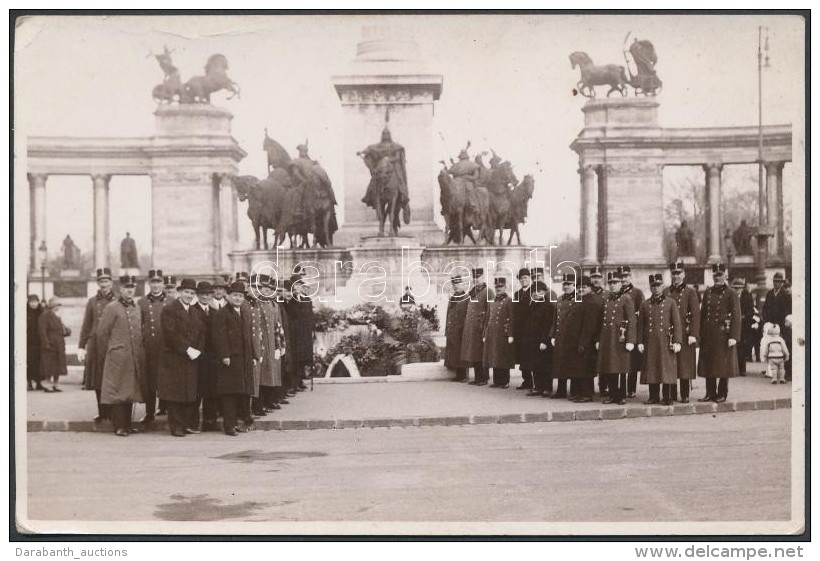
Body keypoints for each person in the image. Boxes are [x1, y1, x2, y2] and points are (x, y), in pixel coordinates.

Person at [97, 275, 145, 437]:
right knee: (118, 391)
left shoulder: (136, 307)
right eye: (126, 287)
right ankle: (119, 426)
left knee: (129, 390)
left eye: (132, 287)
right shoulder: (112, 307)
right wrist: (108, 353)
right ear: (120, 289)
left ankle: (128, 424)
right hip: (117, 357)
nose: (130, 290)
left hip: (132, 356)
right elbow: (102, 333)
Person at [157, 278, 206, 437]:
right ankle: (176, 426)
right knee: (175, 394)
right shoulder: (169, 309)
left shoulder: (195, 312)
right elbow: (171, 334)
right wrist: (187, 349)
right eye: (186, 292)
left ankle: (185, 425)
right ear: (179, 292)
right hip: (175, 357)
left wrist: (198, 349)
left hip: (191, 358)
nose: (189, 295)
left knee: (188, 392)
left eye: (192, 293)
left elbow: (201, 333)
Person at [212, 280, 259, 436]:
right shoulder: (222, 313)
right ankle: (229, 426)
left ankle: (242, 421)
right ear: (228, 296)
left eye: (240, 296)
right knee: (229, 393)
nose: (238, 298)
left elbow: (248, 337)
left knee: (242, 392)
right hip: (230, 359)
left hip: (243, 359)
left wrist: (252, 355)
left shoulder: (244, 312)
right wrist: (224, 355)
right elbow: (220, 337)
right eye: (235, 295)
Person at [697, 263, 741, 403]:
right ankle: (710, 392)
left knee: (723, 366)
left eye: (720, 275)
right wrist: (700, 333)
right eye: (715, 275)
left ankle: (722, 393)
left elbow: (736, 315)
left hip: (723, 334)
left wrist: (734, 336)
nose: (717, 278)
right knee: (709, 364)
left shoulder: (731, 293)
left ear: (725, 275)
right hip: (709, 333)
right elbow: (703, 314)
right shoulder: (708, 292)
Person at [638, 274, 682, 406]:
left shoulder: (670, 303)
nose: (656, 288)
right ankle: (653, 396)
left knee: (666, 369)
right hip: (650, 342)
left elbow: (677, 323)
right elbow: (641, 325)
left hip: (665, 341)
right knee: (652, 368)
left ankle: (667, 397)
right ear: (650, 288)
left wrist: (677, 342)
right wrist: (640, 342)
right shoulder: (645, 304)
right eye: (653, 286)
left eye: (658, 285)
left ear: (663, 286)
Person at [78, 268, 116, 421]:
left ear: (111, 283)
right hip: (96, 345)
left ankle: (113, 412)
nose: (104, 284)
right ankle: (103, 413)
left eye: (106, 281)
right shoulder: (92, 302)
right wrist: (81, 345)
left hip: (113, 343)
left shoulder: (118, 300)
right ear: (98, 283)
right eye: (101, 281)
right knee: (98, 379)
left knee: (112, 379)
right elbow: (86, 325)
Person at [596, 271, 636, 405]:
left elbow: (631, 320)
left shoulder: (626, 299)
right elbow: (601, 320)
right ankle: (613, 394)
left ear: (621, 283)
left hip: (621, 338)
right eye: (610, 283)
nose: (612, 285)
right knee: (610, 367)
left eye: (615, 283)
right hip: (608, 338)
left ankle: (622, 395)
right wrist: (598, 339)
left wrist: (630, 340)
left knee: (621, 368)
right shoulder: (606, 299)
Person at [664, 261, 701, 403]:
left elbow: (695, 314)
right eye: (674, 273)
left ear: (684, 274)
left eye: (679, 273)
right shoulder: (666, 292)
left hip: (685, 333)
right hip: (670, 334)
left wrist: (693, 334)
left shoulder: (691, 292)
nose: (676, 276)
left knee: (685, 364)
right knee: (671, 363)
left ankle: (685, 394)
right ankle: (672, 393)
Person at [358, 124, 410, 222]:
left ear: (390, 135)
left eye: (387, 133)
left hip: (393, 167)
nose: (385, 135)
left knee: (399, 180)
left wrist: (388, 159)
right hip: (381, 167)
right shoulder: (377, 146)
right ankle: (369, 194)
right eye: (384, 133)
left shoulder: (396, 146)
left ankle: (403, 194)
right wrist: (362, 151)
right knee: (374, 181)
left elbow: (398, 157)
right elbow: (370, 149)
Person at [562, 276, 601, 403]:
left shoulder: (591, 302)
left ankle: (586, 394)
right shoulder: (580, 300)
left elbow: (589, 326)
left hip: (584, 342)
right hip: (575, 341)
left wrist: (583, 343)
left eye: (584, 287)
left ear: (590, 288)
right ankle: (577, 392)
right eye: (578, 287)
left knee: (585, 370)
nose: (580, 289)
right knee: (577, 368)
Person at [137, 269, 165, 426]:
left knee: (167, 380)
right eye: (153, 282)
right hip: (149, 348)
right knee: (150, 382)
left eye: (158, 282)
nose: (156, 285)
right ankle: (149, 412)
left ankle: (166, 409)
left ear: (162, 283)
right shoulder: (141, 302)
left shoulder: (171, 301)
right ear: (149, 283)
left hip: (166, 348)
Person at [192, 280, 220, 431]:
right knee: (196, 392)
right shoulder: (192, 310)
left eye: (208, 294)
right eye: (202, 294)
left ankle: (210, 422)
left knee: (211, 391)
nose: (205, 297)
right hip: (197, 357)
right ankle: (194, 422)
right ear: (197, 295)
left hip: (212, 358)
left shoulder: (215, 312)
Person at [520, 281, 555, 397]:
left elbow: (549, 325)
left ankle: (547, 388)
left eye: (539, 291)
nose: (536, 294)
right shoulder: (534, 305)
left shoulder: (549, 306)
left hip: (543, 341)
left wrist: (545, 341)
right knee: (535, 364)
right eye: (534, 291)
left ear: (545, 292)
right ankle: (538, 387)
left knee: (545, 365)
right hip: (532, 340)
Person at [258, 275, 286, 410]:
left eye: (271, 289)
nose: (268, 291)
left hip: (273, 343)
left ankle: (271, 400)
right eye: (265, 288)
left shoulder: (274, 304)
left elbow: (278, 325)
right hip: (263, 344)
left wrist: (280, 345)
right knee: (263, 374)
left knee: (274, 372)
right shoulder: (258, 304)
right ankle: (262, 403)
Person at [461, 268, 493, 386]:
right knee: (474, 353)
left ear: (483, 278)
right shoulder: (473, 291)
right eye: (474, 278)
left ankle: (484, 378)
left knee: (481, 354)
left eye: (478, 277)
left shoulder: (488, 291)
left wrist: (486, 327)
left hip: (481, 327)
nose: (476, 280)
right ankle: (477, 377)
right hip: (472, 328)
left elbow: (490, 310)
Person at [549, 274, 578, 399]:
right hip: (560, 336)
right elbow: (555, 319)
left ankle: (574, 391)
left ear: (574, 285)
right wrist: (552, 335)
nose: (566, 286)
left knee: (571, 364)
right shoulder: (560, 299)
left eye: (569, 284)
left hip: (572, 336)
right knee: (560, 364)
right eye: (564, 284)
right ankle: (561, 390)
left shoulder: (578, 299)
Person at [618, 266, 644, 398]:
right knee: (620, 360)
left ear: (630, 276)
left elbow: (641, 312)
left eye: (626, 276)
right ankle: (620, 387)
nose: (623, 279)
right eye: (621, 276)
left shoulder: (637, 293)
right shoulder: (616, 292)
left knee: (632, 362)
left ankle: (631, 388)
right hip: (619, 330)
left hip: (632, 330)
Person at [484, 277, 514, 388]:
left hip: (503, 333)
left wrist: (510, 334)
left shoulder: (509, 300)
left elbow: (511, 318)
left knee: (503, 357)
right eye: (496, 287)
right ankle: (497, 381)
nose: (498, 289)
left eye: (500, 286)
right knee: (495, 356)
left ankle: (505, 381)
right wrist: (485, 334)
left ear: (505, 287)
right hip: (493, 333)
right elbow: (487, 318)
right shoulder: (492, 301)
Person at [38, 297, 70, 392]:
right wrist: (46, 343)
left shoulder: (57, 316)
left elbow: (62, 329)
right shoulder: (44, 316)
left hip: (59, 344)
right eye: (56, 305)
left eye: (59, 305)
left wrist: (67, 331)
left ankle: (55, 384)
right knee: (49, 367)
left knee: (58, 366)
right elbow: (42, 331)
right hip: (50, 344)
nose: (58, 307)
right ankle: (48, 385)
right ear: (51, 306)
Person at [444, 273, 471, 382]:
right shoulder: (452, 298)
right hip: (453, 330)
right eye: (454, 284)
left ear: (462, 284)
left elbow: (468, 315)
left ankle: (464, 375)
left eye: (458, 284)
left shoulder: (466, 298)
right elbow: (448, 314)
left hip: (461, 330)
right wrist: (447, 329)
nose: (455, 286)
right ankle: (458, 375)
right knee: (455, 353)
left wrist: (466, 329)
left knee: (462, 352)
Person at [587, 267, 607, 397]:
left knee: (603, 361)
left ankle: (603, 387)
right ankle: (588, 388)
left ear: (602, 278)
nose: (596, 280)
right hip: (589, 333)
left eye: (598, 277)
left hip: (602, 332)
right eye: (593, 277)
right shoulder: (587, 295)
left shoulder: (607, 295)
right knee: (589, 362)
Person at [512, 268, 533, 391]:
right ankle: (527, 380)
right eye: (521, 278)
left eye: (525, 278)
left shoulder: (534, 292)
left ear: (529, 278)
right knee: (522, 357)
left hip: (531, 331)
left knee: (531, 357)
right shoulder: (517, 294)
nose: (523, 280)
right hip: (520, 331)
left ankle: (534, 382)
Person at [733, 277, 755, 377]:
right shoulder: (731, 296)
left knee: (742, 347)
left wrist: (744, 317)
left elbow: (751, 311)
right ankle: (735, 368)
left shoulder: (747, 296)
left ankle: (742, 369)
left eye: (739, 288)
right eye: (735, 288)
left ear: (742, 288)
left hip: (744, 326)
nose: (737, 290)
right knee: (734, 346)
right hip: (733, 324)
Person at [26, 294, 45, 391]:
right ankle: (29, 382)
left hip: (39, 342)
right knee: (29, 362)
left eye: (35, 302)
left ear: (38, 302)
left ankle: (39, 382)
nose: (33, 304)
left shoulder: (42, 312)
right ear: (28, 303)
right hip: (28, 343)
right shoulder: (25, 313)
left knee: (39, 362)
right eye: (31, 302)